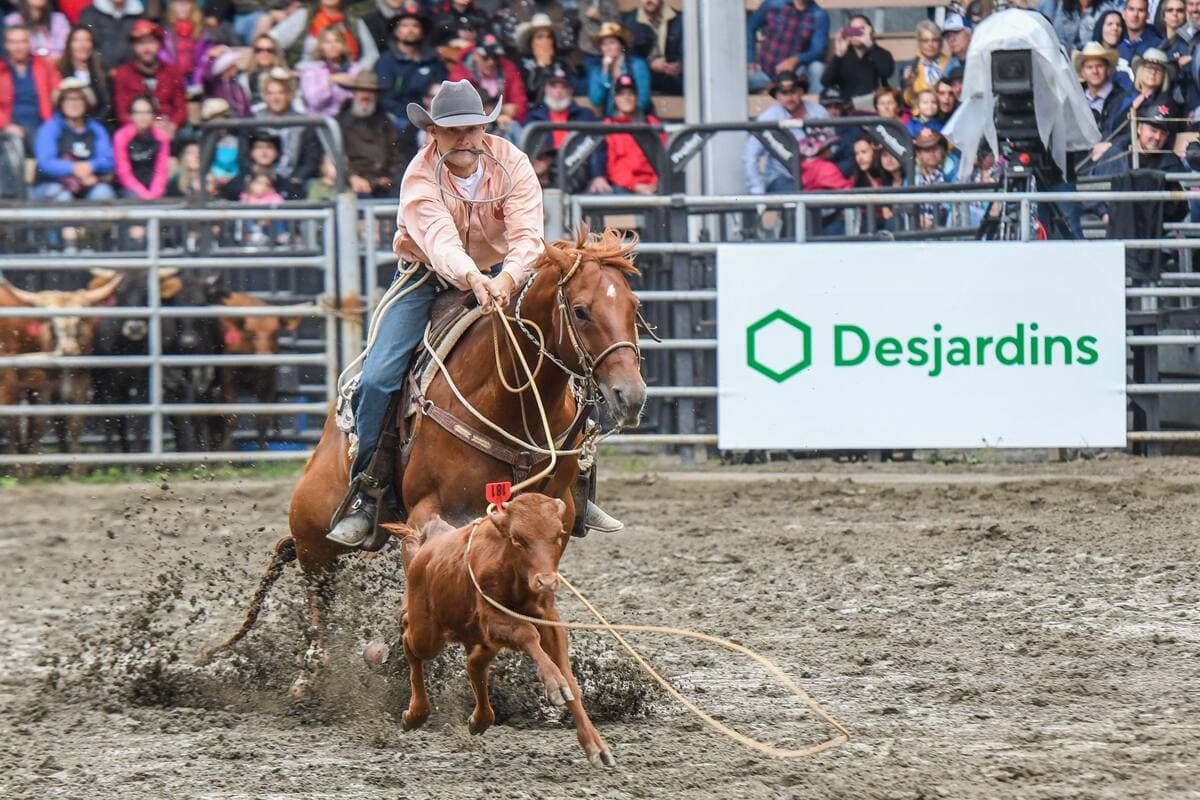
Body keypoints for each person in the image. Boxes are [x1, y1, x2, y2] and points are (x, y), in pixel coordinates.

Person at [327, 78, 626, 548]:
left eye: (472, 128)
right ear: (433, 133)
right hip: (427, 275)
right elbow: (439, 240)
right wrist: (473, 277)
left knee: (566, 354)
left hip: (506, 271)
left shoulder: (513, 163)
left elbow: (527, 235)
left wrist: (506, 279)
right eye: (452, 130)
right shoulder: (419, 175)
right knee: (380, 376)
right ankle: (370, 488)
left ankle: (577, 482)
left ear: (485, 128)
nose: (464, 138)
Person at [743, 70, 828, 195]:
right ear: (777, 96)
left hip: (818, 175)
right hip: (782, 177)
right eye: (784, 93)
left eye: (793, 91)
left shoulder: (819, 112)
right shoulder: (768, 118)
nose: (789, 98)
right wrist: (757, 191)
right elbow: (750, 155)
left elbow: (834, 146)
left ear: (801, 92)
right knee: (797, 200)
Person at [32, 77, 115, 202]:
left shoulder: (96, 129)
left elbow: (108, 160)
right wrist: (74, 168)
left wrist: (90, 166)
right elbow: (45, 162)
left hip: (87, 183)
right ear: (61, 103)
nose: (73, 104)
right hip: (52, 184)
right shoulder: (50, 128)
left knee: (103, 193)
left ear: (86, 102)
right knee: (63, 197)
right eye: (68, 99)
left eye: (78, 99)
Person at [374, 1, 445, 131]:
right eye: (405, 25)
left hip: (432, 115)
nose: (410, 29)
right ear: (396, 31)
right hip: (400, 117)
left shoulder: (432, 59)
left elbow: (443, 87)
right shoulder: (386, 60)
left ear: (422, 32)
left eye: (415, 25)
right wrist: (413, 117)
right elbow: (385, 99)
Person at [525, 64, 597, 190]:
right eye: (554, 86)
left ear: (570, 91)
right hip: (543, 174)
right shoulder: (533, 117)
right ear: (547, 89)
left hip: (575, 171)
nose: (558, 92)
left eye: (563, 87)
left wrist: (598, 176)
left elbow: (597, 149)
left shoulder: (585, 116)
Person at [588, 73, 663, 195]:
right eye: (622, 94)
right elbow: (613, 166)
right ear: (615, 99)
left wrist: (655, 184)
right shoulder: (608, 126)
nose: (626, 98)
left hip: (655, 186)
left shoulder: (652, 123)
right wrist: (635, 185)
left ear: (636, 97)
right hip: (624, 186)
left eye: (630, 94)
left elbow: (663, 158)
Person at [337, 70, 405, 197]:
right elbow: (334, 160)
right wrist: (352, 177)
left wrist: (391, 177)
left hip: (385, 184)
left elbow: (396, 155)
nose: (366, 95)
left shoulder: (385, 122)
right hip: (354, 185)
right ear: (353, 93)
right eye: (362, 90)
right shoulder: (339, 123)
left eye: (371, 91)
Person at [112, 21, 187, 136]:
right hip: (137, 132)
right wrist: (150, 125)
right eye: (141, 43)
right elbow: (122, 113)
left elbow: (181, 109)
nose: (146, 48)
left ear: (159, 44)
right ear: (134, 46)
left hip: (169, 130)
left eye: (151, 42)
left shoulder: (173, 72)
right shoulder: (123, 73)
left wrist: (173, 125)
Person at [449, 33, 527, 141]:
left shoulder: (508, 69)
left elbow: (519, 105)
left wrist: (507, 115)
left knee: (513, 128)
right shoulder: (461, 72)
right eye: (485, 57)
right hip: (470, 128)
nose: (491, 62)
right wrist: (499, 112)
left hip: (504, 123)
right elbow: (461, 108)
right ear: (476, 55)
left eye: (495, 57)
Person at [254, 68, 321, 188]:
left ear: (289, 95)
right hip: (260, 179)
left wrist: (296, 179)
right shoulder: (254, 121)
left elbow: (310, 160)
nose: (275, 98)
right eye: (270, 93)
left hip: (293, 180)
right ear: (265, 96)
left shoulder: (304, 123)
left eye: (280, 93)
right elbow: (245, 156)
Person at [746, 0, 829, 94]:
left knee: (817, 67)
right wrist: (750, 58)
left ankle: (816, 102)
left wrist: (796, 59)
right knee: (736, 78)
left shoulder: (819, 15)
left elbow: (818, 51)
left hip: (795, 77)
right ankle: (766, 91)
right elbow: (750, 27)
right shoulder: (773, 3)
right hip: (763, 72)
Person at [1, 24, 60, 150]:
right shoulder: (1, 70)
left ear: (29, 44)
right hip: (9, 127)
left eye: (22, 42)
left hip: (42, 124)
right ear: (6, 45)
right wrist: (6, 125)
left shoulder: (44, 66)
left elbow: (58, 95)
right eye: (13, 42)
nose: (18, 47)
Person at [112, 94, 171, 199]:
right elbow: (124, 173)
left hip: (154, 187)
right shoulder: (121, 136)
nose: (143, 117)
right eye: (138, 113)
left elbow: (161, 170)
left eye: (147, 112)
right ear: (131, 115)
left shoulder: (161, 137)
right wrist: (145, 195)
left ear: (153, 115)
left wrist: (154, 193)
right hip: (130, 188)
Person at [824, 14, 893, 102]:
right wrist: (838, 55)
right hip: (848, 105)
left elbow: (886, 72)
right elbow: (826, 82)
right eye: (853, 30)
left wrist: (870, 45)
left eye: (861, 30)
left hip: (874, 104)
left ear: (869, 31)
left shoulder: (880, 53)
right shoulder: (843, 56)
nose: (856, 34)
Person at [586, 21, 650, 116]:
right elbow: (596, 100)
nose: (608, 48)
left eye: (612, 42)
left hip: (635, 119)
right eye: (604, 44)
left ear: (622, 46)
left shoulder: (637, 65)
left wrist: (625, 114)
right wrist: (605, 72)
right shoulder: (597, 71)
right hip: (610, 120)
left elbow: (643, 100)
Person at [620, 0, 682, 94]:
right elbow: (625, 53)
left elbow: (690, 51)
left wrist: (681, 65)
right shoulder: (629, 22)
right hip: (643, 76)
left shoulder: (679, 20)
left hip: (675, 77)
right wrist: (649, 64)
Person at [1075, 41, 1133, 138]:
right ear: (1082, 72)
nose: (1095, 71)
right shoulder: (1076, 96)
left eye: (1099, 66)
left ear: (1108, 70)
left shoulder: (1121, 98)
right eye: (1089, 67)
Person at [300, 25, 361, 117]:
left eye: (337, 41)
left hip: (350, 119)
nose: (333, 45)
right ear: (321, 46)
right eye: (327, 42)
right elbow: (313, 102)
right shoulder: (312, 70)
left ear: (343, 44)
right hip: (322, 120)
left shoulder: (355, 69)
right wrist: (331, 81)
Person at [56, 25, 111, 125]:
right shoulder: (59, 72)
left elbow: (106, 105)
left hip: (96, 125)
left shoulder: (101, 72)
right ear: (69, 45)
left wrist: (92, 124)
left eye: (87, 40)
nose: (82, 45)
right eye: (77, 40)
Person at [515, 12, 573, 107]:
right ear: (531, 43)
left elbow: (566, 90)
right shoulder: (522, 66)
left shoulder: (562, 65)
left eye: (549, 37)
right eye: (540, 37)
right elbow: (529, 94)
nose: (545, 41)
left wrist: (549, 66)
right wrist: (540, 67)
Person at [78, 0, 145, 72]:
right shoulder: (90, 15)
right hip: (98, 73)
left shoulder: (140, 14)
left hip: (133, 73)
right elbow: (85, 46)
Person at [497, 0, 576, 57]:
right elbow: (512, 47)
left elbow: (567, 43)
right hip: (524, 64)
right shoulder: (513, 11)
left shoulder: (557, 8)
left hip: (555, 60)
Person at [902, 20, 949, 109]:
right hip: (920, 114)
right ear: (919, 43)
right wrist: (909, 85)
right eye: (925, 41)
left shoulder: (951, 64)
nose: (930, 44)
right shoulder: (910, 66)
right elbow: (907, 103)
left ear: (941, 43)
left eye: (935, 40)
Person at [4, 0, 69, 60]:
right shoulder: (13, 21)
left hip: (57, 65)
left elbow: (66, 49)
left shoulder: (59, 19)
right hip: (26, 65)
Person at [1093, 8, 1136, 89]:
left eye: (1119, 25)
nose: (1115, 28)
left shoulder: (1131, 54)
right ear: (1100, 28)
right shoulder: (1089, 53)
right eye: (1110, 24)